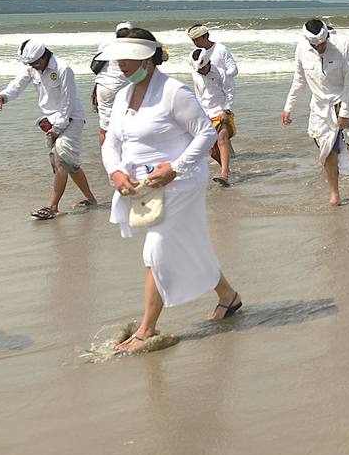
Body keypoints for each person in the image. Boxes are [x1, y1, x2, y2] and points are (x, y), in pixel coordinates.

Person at [98, 29, 242, 352]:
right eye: (119, 58)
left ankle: (147, 330)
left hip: (181, 184)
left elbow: (205, 134)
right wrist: (115, 172)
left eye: (128, 58)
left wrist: (174, 168)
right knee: (188, 245)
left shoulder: (173, 92)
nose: (121, 64)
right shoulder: (123, 96)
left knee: (157, 249)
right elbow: (111, 142)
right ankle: (228, 297)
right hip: (143, 188)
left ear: (148, 59)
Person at [0, 37, 99, 219]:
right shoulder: (32, 68)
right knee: (70, 165)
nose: (33, 67)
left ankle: (52, 207)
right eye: (30, 64)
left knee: (61, 161)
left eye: (36, 63)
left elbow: (68, 103)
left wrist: (57, 128)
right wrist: (2, 96)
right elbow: (17, 85)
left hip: (71, 119)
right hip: (51, 121)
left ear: (45, 56)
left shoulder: (63, 70)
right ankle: (92, 200)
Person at [282, 19, 349, 217]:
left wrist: (344, 113)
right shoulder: (301, 49)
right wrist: (288, 107)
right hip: (319, 108)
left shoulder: (343, 45)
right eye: (315, 45)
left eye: (323, 43)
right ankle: (335, 193)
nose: (320, 48)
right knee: (327, 153)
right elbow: (299, 79)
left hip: (346, 101)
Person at [186, 23, 239, 155]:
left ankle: (228, 161)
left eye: (197, 39)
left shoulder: (221, 49)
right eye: (193, 40)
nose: (195, 43)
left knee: (222, 136)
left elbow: (233, 68)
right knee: (219, 138)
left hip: (222, 96)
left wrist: (224, 75)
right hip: (207, 99)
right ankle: (230, 158)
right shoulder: (196, 55)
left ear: (206, 36)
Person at [188, 46, 235, 186]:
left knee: (222, 139)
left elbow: (230, 91)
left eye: (202, 69)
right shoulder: (196, 74)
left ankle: (224, 174)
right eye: (198, 70)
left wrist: (226, 110)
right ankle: (226, 169)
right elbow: (199, 95)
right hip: (205, 113)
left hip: (221, 110)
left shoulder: (220, 73)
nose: (201, 72)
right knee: (212, 150)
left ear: (208, 63)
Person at [92, 21, 134, 147]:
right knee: (127, 125)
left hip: (103, 87)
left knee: (104, 127)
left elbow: (101, 67)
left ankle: (106, 159)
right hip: (121, 88)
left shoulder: (106, 44)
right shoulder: (132, 46)